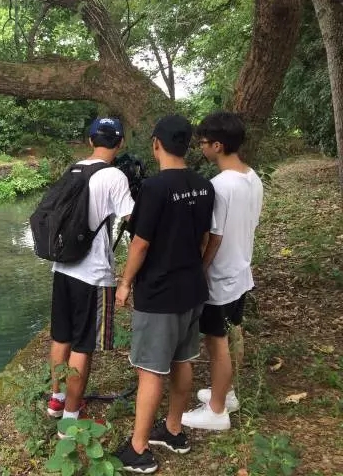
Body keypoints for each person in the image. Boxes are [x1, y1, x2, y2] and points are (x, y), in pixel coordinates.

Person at [114, 114, 214, 473]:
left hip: (159, 293)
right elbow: (204, 238)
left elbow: (140, 244)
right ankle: (173, 430)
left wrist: (125, 283)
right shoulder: (205, 186)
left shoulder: (155, 188)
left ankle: (138, 448)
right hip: (192, 288)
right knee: (183, 360)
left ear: (156, 143)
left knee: (151, 370)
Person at [47, 117, 134, 437]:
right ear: (120, 143)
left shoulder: (73, 170)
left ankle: (56, 399)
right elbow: (132, 218)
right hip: (93, 274)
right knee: (83, 345)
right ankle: (71, 418)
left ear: (90, 140)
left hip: (62, 267)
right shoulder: (115, 176)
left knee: (61, 337)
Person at [181, 111, 263, 430]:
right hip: (241, 269)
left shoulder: (219, 186)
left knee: (217, 343)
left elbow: (213, 237)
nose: (200, 147)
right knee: (232, 331)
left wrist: (200, 269)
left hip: (221, 275)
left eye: (203, 142)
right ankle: (226, 394)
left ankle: (216, 412)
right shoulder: (252, 177)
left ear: (217, 145)